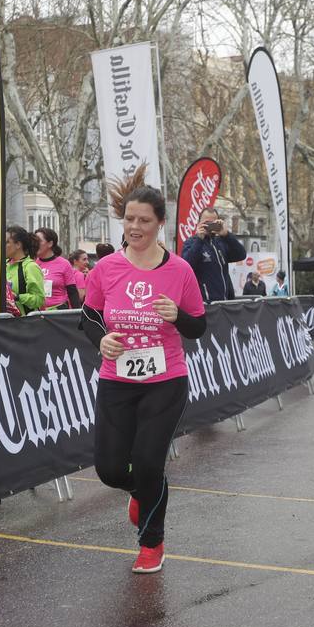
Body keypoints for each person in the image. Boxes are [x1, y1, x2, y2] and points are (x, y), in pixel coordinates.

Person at [80, 166, 206, 574]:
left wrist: (177, 316)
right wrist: (101, 339)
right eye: (129, 219)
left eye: (144, 221)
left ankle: (152, 543)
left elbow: (199, 327)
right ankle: (142, 491)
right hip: (117, 380)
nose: (135, 227)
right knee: (110, 469)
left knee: (150, 462)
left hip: (165, 380)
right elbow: (88, 316)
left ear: (160, 224)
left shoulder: (180, 271)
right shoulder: (107, 268)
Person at [180, 206, 247, 302]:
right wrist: (200, 240)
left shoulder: (221, 242)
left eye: (213, 223)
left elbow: (241, 255)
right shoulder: (191, 243)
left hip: (225, 304)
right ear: (199, 223)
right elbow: (187, 266)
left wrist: (226, 235)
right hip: (206, 306)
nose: (210, 226)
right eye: (207, 223)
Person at [34, 227, 82, 309]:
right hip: (38, 313)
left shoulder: (64, 264)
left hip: (58, 313)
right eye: (34, 241)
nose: (35, 244)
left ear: (50, 244)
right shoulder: (33, 264)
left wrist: (77, 315)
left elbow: (72, 292)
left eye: (39, 241)